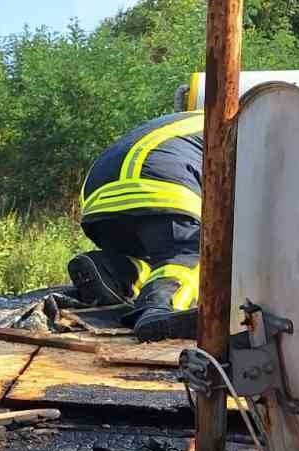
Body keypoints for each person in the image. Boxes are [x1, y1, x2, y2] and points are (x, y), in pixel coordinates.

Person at [67, 110, 203, 341]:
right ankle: (162, 309)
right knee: (195, 254)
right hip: (157, 179)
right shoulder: (248, 126)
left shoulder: (192, 119)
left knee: (158, 258)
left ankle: (112, 271)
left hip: (97, 192)